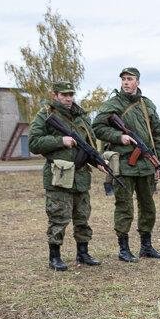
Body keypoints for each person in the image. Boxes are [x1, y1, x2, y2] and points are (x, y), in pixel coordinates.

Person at [93, 67, 160, 262]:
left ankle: (146, 246)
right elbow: (97, 127)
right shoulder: (113, 104)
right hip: (123, 164)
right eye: (123, 79)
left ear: (138, 82)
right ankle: (124, 248)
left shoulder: (147, 105)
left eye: (130, 79)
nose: (126, 82)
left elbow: (159, 135)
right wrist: (119, 137)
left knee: (148, 206)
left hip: (146, 165)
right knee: (124, 207)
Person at [27, 81, 100, 271]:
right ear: (55, 95)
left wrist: (98, 161)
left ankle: (83, 253)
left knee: (82, 217)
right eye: (63, 95)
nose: (68, 98)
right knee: (59, 217)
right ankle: (55, 256)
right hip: (58, 176)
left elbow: (90, 144)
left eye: (70, 95)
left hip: (81, 176)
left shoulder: (82, 117)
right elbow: (34, 143)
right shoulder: (46, 115)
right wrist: (60, 140)